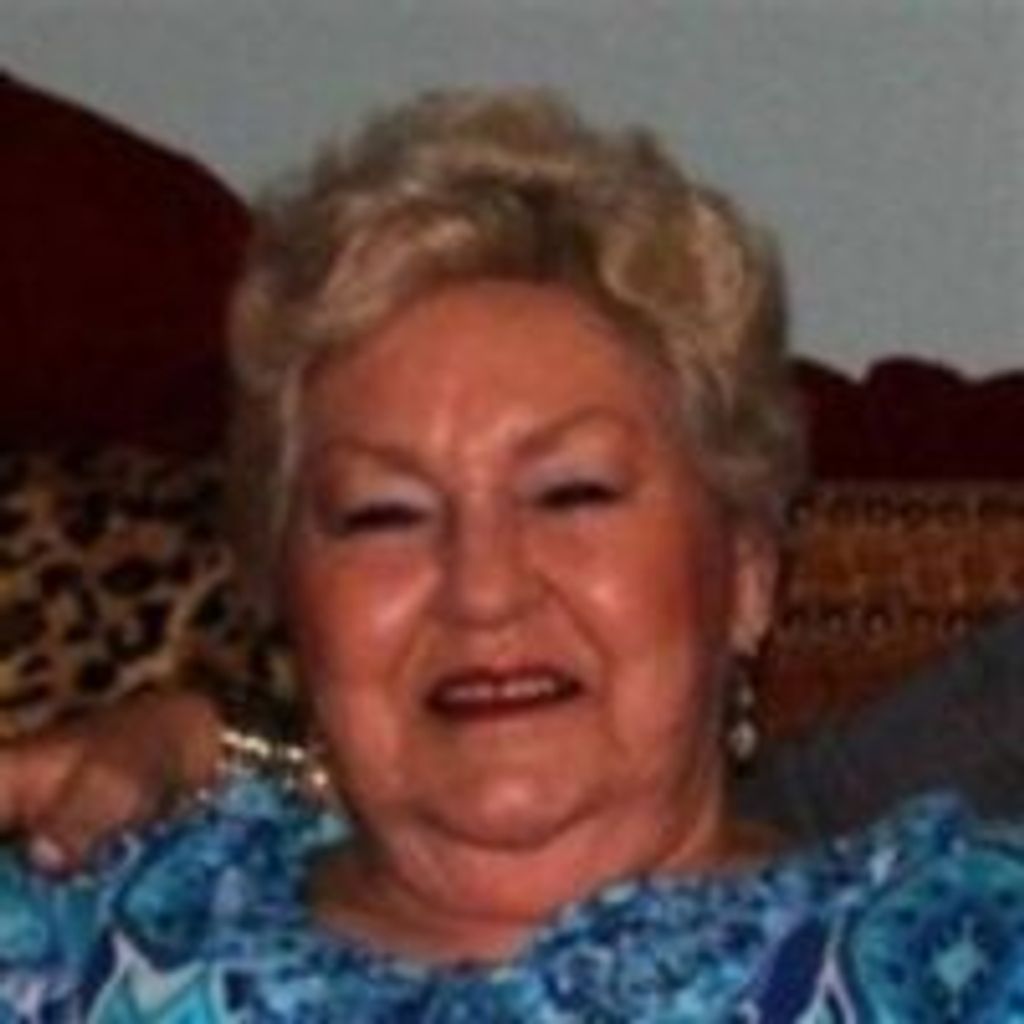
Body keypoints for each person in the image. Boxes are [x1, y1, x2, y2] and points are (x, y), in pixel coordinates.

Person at [2, 88, 1023, 1021]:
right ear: (283, 589)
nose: (483, 589)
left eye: (572, 493)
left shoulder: (968, 955)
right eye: (385, 514)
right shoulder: (75, 937)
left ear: (748, 574)